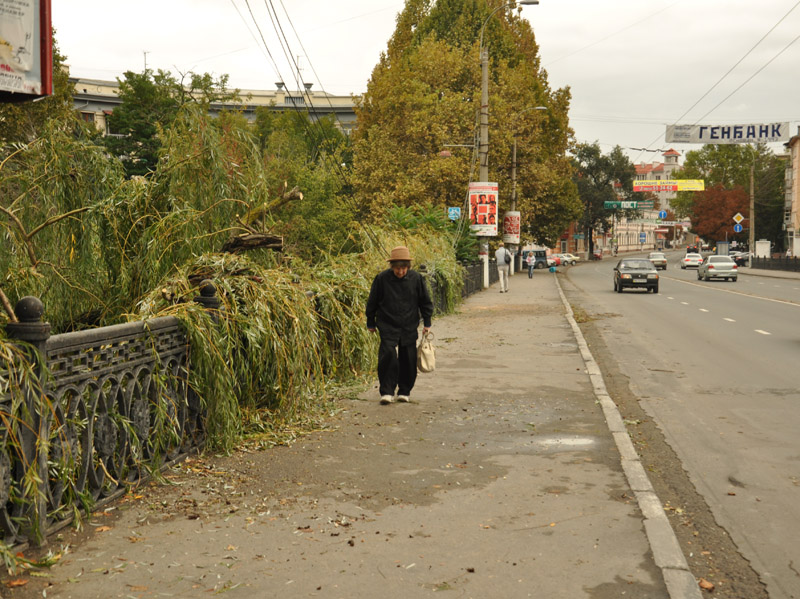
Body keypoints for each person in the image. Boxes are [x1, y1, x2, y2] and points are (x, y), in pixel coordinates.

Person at [366, 246, 433, 405]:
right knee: (388, 355)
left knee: (408, 358)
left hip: (409, 323)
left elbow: (425, 301)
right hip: (387, 323)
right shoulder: (382, 279)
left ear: (408, 267)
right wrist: (370, 321)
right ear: (392, 267)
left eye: (403, 268)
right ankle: (387, 391)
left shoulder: (416, 279)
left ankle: (404, 390)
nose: (400, 271)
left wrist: (427, 322)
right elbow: (372, 301)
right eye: (397, 268)